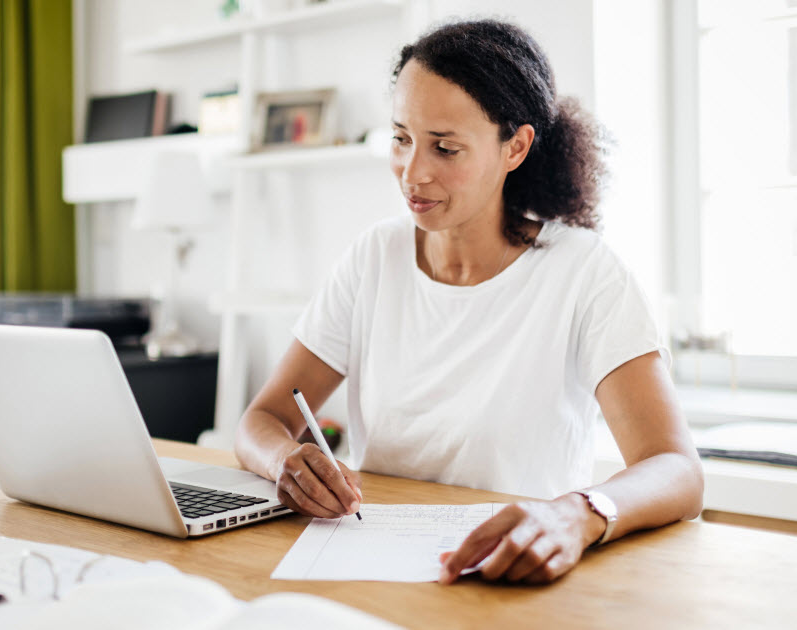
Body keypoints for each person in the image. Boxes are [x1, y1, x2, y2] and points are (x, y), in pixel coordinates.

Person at [233, 19, 704, 585]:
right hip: (371, 565)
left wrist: (575, 513)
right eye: (401, 138)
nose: (413, 173)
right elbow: (262, 419)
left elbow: (677, 470)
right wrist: (283, 461)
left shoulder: (584, 271)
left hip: (514, 575)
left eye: (445, 147)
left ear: (516, 147)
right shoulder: (373, 258)